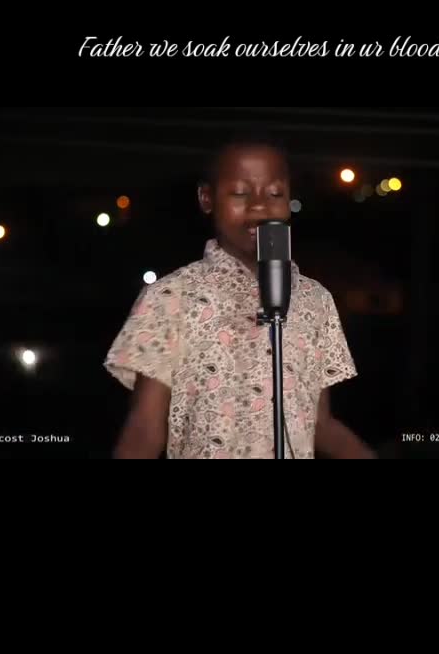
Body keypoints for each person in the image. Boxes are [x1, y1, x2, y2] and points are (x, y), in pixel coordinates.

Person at [105, 140, 376, 459]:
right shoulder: (171, 297)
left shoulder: (314, 299)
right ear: (207, 198)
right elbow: (145, 428)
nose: (259, 206)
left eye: (275, 193)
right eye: (239, 193)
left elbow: (319, 423)